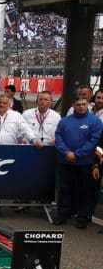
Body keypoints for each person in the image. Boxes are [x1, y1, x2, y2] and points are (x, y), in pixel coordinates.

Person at [53, 96, 103, 228]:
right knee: (65, 190)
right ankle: (62, 215)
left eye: (83, 104)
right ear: (73, 106)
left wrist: (77, 154)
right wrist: (66, 153)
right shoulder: (64, 121)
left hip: (85, 163)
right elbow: (58, 137)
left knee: (85, 191)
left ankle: (82, 217)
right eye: (78, 104)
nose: (81, 107)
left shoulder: (95, 122)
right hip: (65, 161)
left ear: (88, 105)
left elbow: (94, 141)